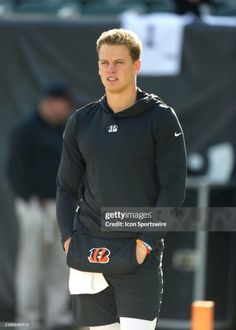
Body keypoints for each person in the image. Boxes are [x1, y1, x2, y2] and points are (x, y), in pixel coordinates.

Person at [56, 29, 187, 330]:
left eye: (118, 62)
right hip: (88, 250)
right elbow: (65, 187)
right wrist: (67, 238)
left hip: (136, 255)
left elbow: (173, 191)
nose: (110, 69)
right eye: (104, 62)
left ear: (136, 65)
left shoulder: (161, 118)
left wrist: (146, 243)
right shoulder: (81, 121)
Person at [7, 83, 75, 330]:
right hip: (34, 204)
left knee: (61, 261)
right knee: (31, 262)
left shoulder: (67, 132)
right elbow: (14, 168)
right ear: (48, 102)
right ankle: (28, 317)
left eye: (66, 106)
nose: (62, 110)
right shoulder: (25, 130)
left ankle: (56, 315)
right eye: (59, 104)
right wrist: (27, 199)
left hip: (62, 205)